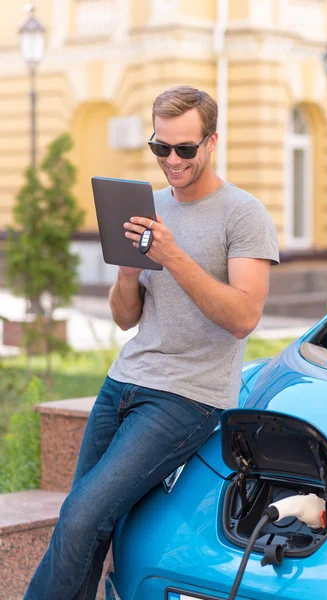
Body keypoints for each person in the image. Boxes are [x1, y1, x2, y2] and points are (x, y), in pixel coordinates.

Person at [23, 85, 279, 599]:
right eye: (161, 148)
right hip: (123, 382)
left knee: (81, 515)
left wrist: (173, 255)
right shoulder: (149, 206)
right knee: (84, 523)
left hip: (188, 396)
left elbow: (243, 318)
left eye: (185, 148)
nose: (172, 160)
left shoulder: (243, 214)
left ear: (211, 143)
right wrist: (124, 275)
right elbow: (125, 319)